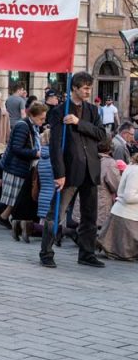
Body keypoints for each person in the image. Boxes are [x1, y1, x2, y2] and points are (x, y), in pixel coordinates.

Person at [40, 72, 107, 269]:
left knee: (89, 216)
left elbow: (101, 135)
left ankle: (86, 253)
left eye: (89, 88)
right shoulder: (59, 111)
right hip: (70, 170)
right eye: (84, 88)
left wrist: (79, 123)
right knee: (57, 213)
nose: (88, 91)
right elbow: (55, 145)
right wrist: (59, 173)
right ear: (75, 88)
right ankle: (46, 252)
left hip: (90, 169)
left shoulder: (93, 111)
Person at [0, 103, 47, 229]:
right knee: (15, 197)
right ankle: (5, 218)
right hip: (16, 166)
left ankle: (5, 218)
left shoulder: (32, 126)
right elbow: (16, 148)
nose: (43, 121)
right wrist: (35, 153)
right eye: (41, 118)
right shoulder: (23, 126)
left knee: (16, 197)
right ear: (32, 115)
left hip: (21, 166)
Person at [97, 153, 138, 260]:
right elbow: (129, 197)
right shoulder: (136, 172)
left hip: (124, 214)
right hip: (128, 217)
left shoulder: (132, 167)